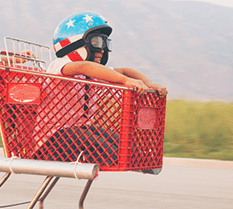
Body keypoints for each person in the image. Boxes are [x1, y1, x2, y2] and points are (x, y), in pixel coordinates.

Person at [32, 11, 167, 170]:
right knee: (100, 145)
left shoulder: (92, 74)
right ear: (74, 43)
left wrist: (149, 83)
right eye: (97, 42)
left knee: (117, 141)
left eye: (105, 44)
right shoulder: (60, 65)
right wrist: (124, 81)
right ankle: (135, 159)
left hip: (78, 133)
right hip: (51, 141)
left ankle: (139, 158)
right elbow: (84, 66)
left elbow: (124, 70)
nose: (103, 50)